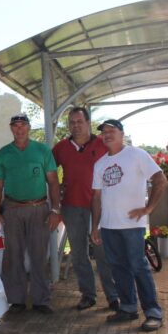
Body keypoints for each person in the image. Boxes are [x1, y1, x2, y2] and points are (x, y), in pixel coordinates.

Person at [91, 119, 167, 331]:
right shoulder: (100, 164)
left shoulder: (137, 154)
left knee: (138, 267)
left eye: (111, 131)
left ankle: (153, 312)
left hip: (132, 225)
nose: (107, 134)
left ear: (122, 133)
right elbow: (96, 197)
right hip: (108, 226)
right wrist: (95, 226)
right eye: (103, 132)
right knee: (118, 268)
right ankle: (128, 308)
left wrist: (148, 208)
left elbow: (160, 180)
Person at [0, 113, 61, 315]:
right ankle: (17, 300)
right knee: (13, 255)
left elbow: (53, 182)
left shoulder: (42, 150)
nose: (19, 129)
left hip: (39, 208)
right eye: (15, 126)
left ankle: (41, 300)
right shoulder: (4, 153)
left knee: (39, 254)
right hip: (12, 208)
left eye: (23, 125)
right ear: (11, 129)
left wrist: (55, 210)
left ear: (29, 127)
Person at [52, 107, 119, 311]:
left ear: (88, 122)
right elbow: (49, 172)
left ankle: (113, 296)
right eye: (72, 122)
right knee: (79, 253)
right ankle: (88, 295)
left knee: (102, 252)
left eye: (79, 122)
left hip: (99, 206)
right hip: (72, 206)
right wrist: (57, 193)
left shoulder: (102, 144)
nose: (76, 126)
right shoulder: (61, 148)